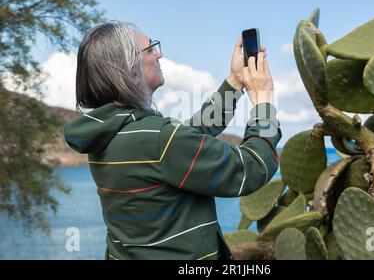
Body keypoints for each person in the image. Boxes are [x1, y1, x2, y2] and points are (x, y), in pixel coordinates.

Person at [64, 21, 282, 260]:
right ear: (128, 68)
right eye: (150, 49)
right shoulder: (158, 139)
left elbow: (191, 134)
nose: (160, 54)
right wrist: (263, 102)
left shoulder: (109, 132)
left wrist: (235, 81)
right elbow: (249, 169)